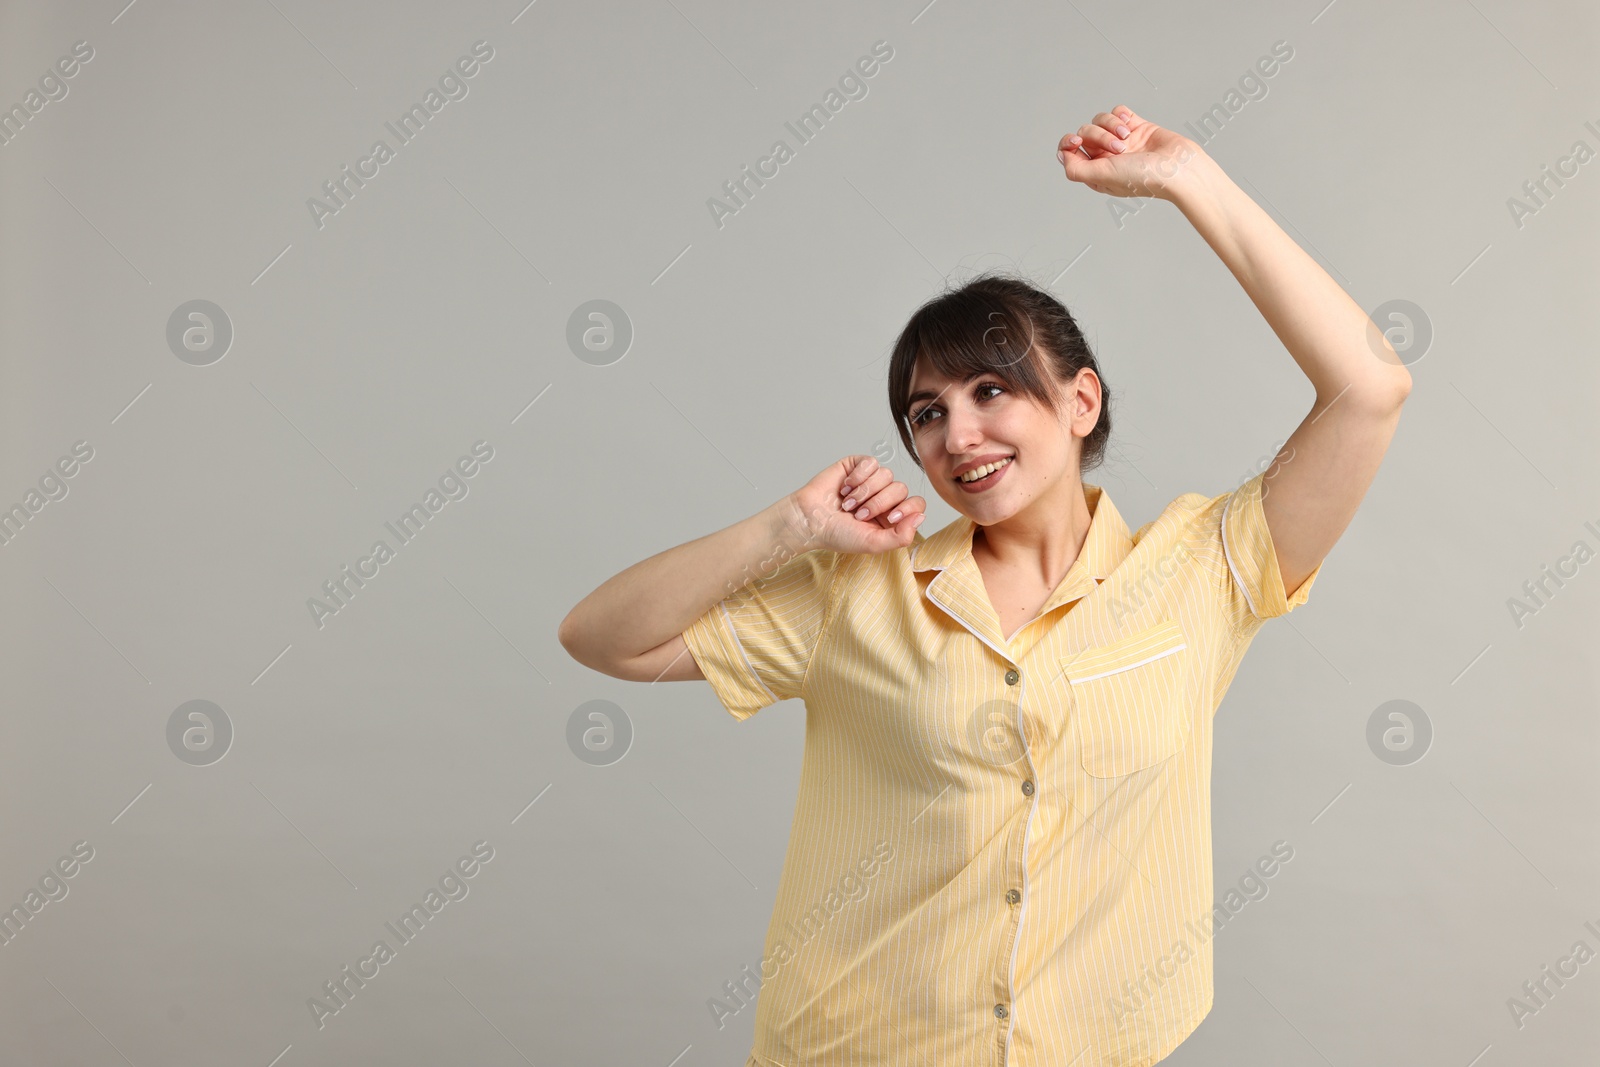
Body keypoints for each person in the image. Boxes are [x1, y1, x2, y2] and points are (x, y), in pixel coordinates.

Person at [559, 104, 1411, 1067]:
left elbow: (1369, 390)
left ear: (1081, 400)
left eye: (991, 390)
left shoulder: (1203, 570)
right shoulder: (859, 590)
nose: (956, 435)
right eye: (928, 412)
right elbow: (601, 637)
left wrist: (1189, 181)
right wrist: (787, 528)